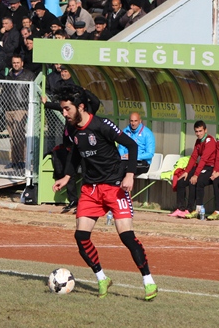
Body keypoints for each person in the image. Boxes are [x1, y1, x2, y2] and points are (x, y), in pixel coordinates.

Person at [52, 84, 158, 301]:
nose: (64, 113)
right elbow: (75, 154)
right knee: (81, 237)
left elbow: (131, 145)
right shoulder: (73, 129)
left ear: (81, 107)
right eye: (62, 109)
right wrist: (67, 176)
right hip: (90, 189)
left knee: (126, 236)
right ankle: (101, 278)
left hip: (114, 186)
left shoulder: (102, 125)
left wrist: (130, 175)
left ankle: (148, 281)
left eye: (67, 109)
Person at [170, 120, 217, 218]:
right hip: (201, 166)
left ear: (205, 130)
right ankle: (180, 208)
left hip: (210, 167)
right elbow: (193, 157)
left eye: (200, 131)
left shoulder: (210, 141)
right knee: (181, 181)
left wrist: (195, 175)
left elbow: (204, 159)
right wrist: (186, 171)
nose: (198, 134)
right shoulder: (198, 141)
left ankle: (189, 209)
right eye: (196, 131)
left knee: (193, 181)